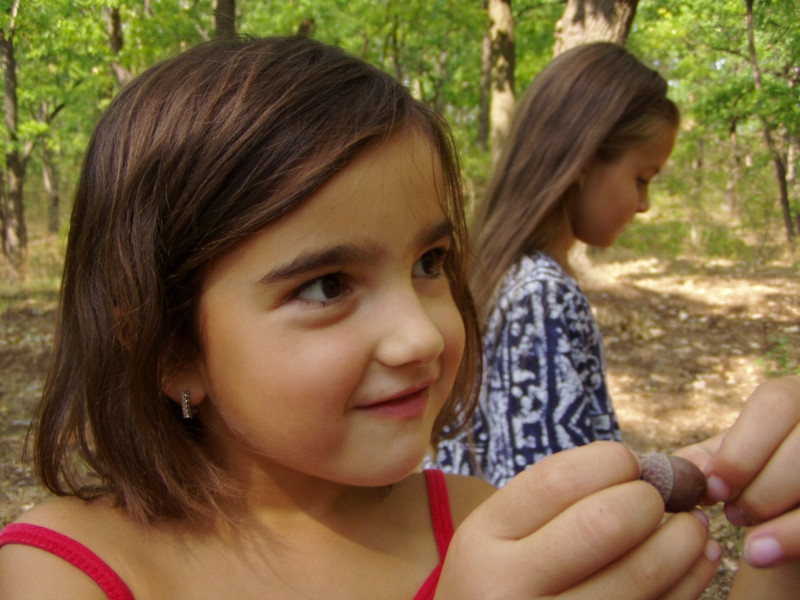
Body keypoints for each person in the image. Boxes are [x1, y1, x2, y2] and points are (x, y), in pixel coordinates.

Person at [0, 35, 797, 600]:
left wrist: (777, 556)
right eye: (325, 286)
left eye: (429, 264)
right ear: (169, 346)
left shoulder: (486, 524)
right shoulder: (63, 572)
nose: (423, 334)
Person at [430, 42, 680, 486]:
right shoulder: (541, 295)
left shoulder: (495, 273)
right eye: (642, 178)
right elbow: (553, 495)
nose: (644, 204)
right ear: (583, 163)